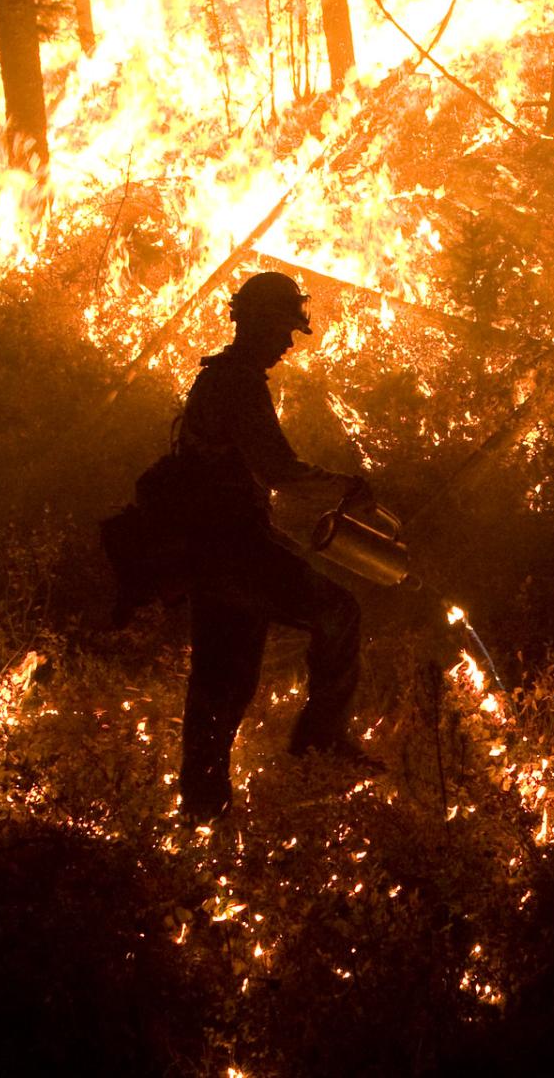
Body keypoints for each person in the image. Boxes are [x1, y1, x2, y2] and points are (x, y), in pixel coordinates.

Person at [172, 271, 376, 822]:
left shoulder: (216, 379)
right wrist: (347, 487)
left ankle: (201, 810)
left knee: (222, 683)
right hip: (235, 551)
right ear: (257, 323)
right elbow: (278, 469)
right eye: (285, 328)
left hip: (211, 552)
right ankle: (319, 739)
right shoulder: (236, 383)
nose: (289, 343)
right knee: (339, 611)